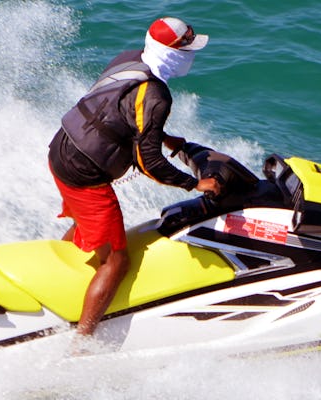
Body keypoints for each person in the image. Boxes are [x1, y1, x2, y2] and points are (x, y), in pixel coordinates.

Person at [47, 16, 219, 338]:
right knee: (116, 260)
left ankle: (57, 274)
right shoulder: (157, 95)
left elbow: (116, 109)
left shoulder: (129, 59)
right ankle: (82, 341)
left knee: (87, 225)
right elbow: (150, 163)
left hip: (61, 148)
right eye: (187, 50)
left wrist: (162, 137)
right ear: (172, 53)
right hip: (83, 173)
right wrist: (195, 183)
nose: (192, 56)